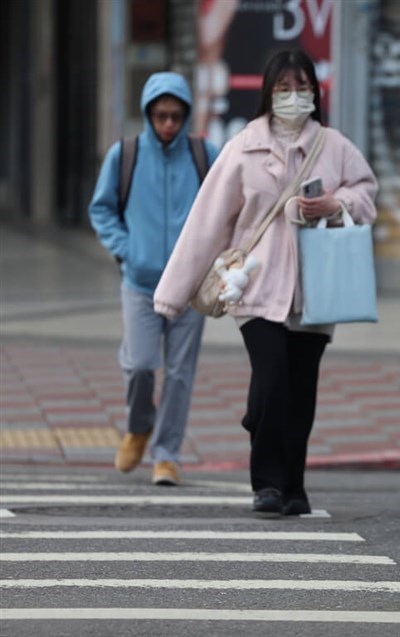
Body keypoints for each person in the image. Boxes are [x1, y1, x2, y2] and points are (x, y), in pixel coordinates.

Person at [153, 49, 378, 516]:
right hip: (253, 287)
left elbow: (367, 194)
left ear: (315, 92)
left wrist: (335, 204)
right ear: (268, 93)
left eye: (302, 87)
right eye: (283, 88)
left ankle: (295, 486)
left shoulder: (334, 145)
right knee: (272, 376)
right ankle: (267, 483)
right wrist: (172, 295)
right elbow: (207, 222)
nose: (293, 97)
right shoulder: (243, 146)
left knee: (301, 388)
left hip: (317, 290)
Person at [88, 72, 220, 486]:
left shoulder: (204, 154)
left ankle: (167, 454)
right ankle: (139, 425)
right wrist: (129, 250)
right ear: (148, 114)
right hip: (141, 283)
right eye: (161, 115)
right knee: (142, 365)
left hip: (190, 286)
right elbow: (102, 209)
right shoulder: (124, 155)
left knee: (180, 374)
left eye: (176, 116)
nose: (168, 124)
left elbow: (226, 207)